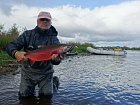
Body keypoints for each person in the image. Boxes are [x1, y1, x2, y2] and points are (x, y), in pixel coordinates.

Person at [6, 11, 60, 99]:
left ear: (51, 22)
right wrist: (16, 53)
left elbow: (57, 62)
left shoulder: (54, 39)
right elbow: (10, 46)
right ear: (37, 21)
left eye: (47, 20)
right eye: (42, 19)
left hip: (46, 73)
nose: (45, 21)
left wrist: (55, 59)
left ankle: (53, 83)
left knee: (47, 97)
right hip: (28, 72)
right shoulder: (27, 34)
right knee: (24, 97)